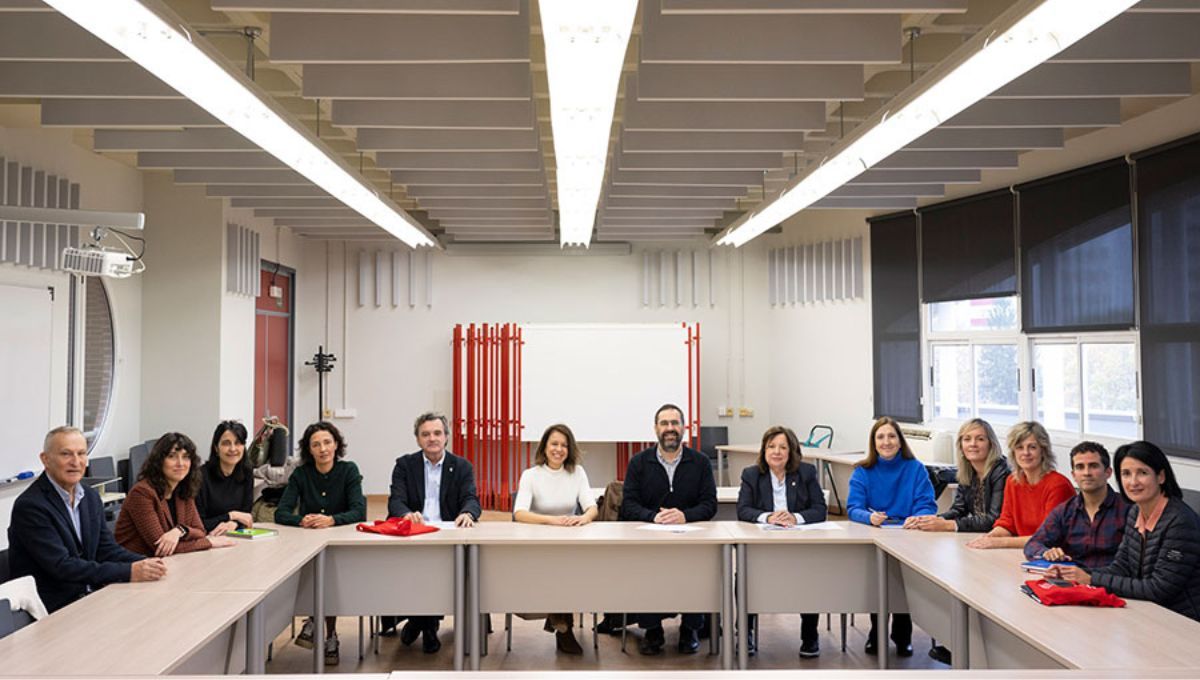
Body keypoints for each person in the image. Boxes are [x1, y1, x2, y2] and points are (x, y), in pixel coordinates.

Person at [7, 426, 167, 613]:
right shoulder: (31, 506)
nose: (76, 462)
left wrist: (147, 563)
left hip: (90, 596)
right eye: (66, 454)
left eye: (81, 453)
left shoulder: (89, 496)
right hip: (53, 609)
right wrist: (130, 571)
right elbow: (62, 566)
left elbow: (106, 549)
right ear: (46, 459)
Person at [1054, 441, 1200, 621]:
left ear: (1161, 476)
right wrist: (1074, 573)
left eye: (1143, 473)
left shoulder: (1180, 522)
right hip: (1150, 614)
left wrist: (1091, 579)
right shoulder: (1135, 512)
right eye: (1126, 474)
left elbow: (1158, 588)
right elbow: (1121, 567)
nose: (1133, 482)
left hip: (1184, 622)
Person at [620, 403, 717, 656]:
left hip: (692, 540)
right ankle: (652, 631)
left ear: (683, 428)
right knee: (647, 571)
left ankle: (690, 629)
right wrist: (654, 517)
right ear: (655, 429)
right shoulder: (639, 462)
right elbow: (628, 504)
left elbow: (709, 504)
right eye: (664, 423)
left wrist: (685, 516)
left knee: (699, 570)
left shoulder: (701, 462)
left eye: (675, 423)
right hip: (650, 538)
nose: (670, 429)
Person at [384, 412, 482, 654]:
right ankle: (428, 625)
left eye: (437, 433)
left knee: (441, 571)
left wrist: (468, 513)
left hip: (448, 536)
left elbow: (471, 499)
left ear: (446, 437)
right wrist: (406, 514)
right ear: (417, 439)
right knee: (417, 570)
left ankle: (420, 622)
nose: (432, 438)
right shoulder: (405, 465)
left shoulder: (461, 466)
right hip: (415, 536)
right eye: (425, 434)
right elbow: (395, 501)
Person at [276, 421, 366, 665]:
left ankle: (320, 624)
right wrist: (301, 520)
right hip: (309, 544)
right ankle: (327, 632)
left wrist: (331, 520)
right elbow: (281, 513)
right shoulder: (301, 474)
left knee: (329, 575)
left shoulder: (348, 470)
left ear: (336, 444)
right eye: (316, 444)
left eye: (327, 442)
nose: (323, 448)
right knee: (318, 573)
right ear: (309, 449)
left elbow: (359, 511)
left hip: (341, 543)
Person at [846, 416, 936, 657]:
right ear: (873, 443)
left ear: (900, 441)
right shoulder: (862, 471)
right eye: (880, 437)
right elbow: (853, 508)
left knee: (903, 582)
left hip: (909, 535)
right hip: (876, 535)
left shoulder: (915, 468)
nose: (886, 442)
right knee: (878, 580)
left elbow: (927, 503)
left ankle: (902, 633)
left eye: (891, 436)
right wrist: (869, 517)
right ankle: (876, 631)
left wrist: (918, 517)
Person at [735, 425, 826, 658]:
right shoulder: (751, 474)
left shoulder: (806, 473)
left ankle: (809, 636)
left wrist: (796, 517)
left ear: (792, 451)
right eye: (771, 446)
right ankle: (745, 633)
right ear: (764, 450)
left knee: (810, 576)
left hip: (798, 546)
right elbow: (743, 510)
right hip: (763, 548)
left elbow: (820, 509)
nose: (776, 452)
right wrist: (769, 516)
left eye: (783, 447)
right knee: (744, 576)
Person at [512, 423, 598, 655]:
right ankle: (563, 628)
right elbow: (519, 513)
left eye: (564, 445)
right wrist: (551, 520)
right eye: (554, 444)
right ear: (545, 447)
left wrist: (583, 518)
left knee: (567, 568)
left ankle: (561, 625)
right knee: (556, 569)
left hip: (568, 542)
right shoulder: (531, 475)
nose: (559, 449)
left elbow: (592, 508)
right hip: (537, 543)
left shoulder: (577, 473)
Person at [114, 432, 237, 557]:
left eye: (186, 457)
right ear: (159, 461)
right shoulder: (142, 493)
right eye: (172, 456)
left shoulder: (183, 489)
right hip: (134, 566)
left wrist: (180, 531)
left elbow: (200, 531)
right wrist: (208, 542)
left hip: (165, 563)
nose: (180, 463)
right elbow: (161, 547)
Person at [966, 421, 1074, 550]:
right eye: (1019, 447)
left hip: (1057, 556)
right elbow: (1007, 523)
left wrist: (1000, 543)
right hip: (1026, 551)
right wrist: (989, 538)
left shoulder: (1058, 485)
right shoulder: (1013, 481)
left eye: (1032, 447)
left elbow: (1048, 537)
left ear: (1043, 451)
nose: (1025, 453)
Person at [1024, 442, 1131, 569]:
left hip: (1112, 583)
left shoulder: (1128, 510)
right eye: (1080, 467)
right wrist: (1046, 552)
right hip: (1072, 582)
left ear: (1108, 472)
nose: (1086, 473)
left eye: (1093, 466)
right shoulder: (1064, 511)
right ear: (1074, 475)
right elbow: (1033, 544)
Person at [905, 418, 1010, 533]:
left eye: (980, 439)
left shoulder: (1002, 471)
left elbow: (994, 519)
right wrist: (928, 520)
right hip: (983, 535)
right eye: (967, 439)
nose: (973, 444)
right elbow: (958, 509)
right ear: (961, 445)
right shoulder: (967, 470)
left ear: (991, 444)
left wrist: (949, 525)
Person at [197, 420, 255, 535]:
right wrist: (231, 516)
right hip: (207, 538)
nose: (233, 449)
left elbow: (246, 516)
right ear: (216, 448)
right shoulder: (200, 476)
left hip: (234, 536)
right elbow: (198, 524)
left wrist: (234, 523)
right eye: (226, 443)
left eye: (238, 443)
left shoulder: (247, 473)